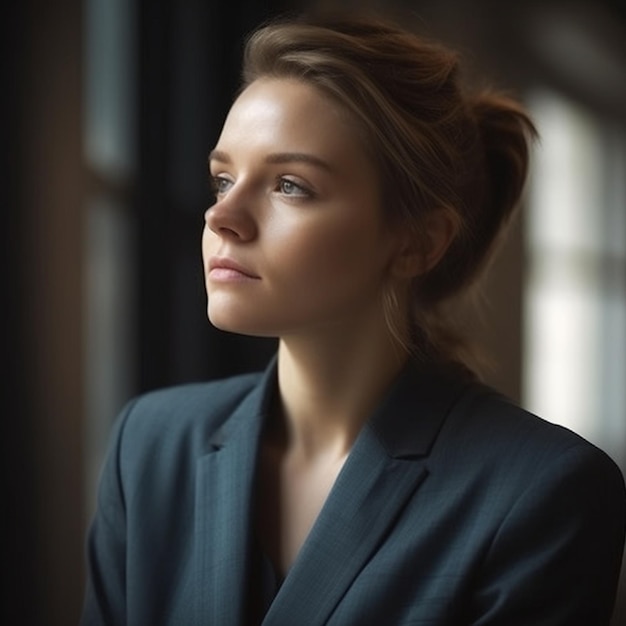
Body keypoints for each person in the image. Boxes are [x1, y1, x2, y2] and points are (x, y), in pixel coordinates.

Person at [81, 10, 626, 626]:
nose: (222, 217)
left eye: (290, 184)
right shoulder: (149, 444)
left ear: (419, 242)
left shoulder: (543, 493)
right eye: (223, 179)